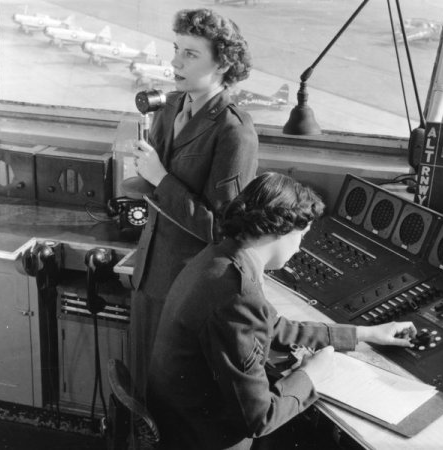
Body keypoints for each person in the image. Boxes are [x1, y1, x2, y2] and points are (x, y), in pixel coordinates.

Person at [147, 172, 417, 450]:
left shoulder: (219, 258)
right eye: (302, 235)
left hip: (182, 425)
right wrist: (312, 374)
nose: (300, 247)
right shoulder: (237, 295)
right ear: (279, 230)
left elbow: (275, 327)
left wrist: (366, 333)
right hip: (206, 440)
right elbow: (259, 418)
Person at [130, 8, 259, 397]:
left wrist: (160, 178)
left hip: (188, 290)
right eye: (176, 49)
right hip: (148, 274)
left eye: (190, 54)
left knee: (170, 404)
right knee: (141, 391)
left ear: (222, 64)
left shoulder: (234, 132)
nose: (175, 62)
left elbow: (224, 231)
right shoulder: (169, 108)